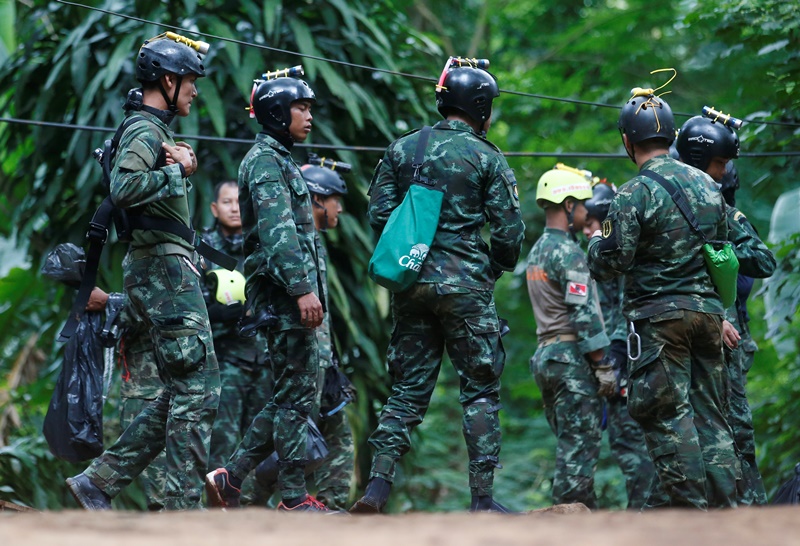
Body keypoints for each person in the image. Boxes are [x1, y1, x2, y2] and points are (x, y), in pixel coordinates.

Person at [351, 59, 525, 513]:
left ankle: (376, 490)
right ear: (481, 107)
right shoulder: (487, 157)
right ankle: (483, 502)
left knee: (407, 389)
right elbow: (509, 233)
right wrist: (492, 268)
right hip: (466, 285)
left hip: (410, 284)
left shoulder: (402, 149)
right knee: (480, 390)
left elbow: (379, 217)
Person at [66, 34, 221, 511]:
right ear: (169, 81)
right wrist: (181, 171)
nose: (195, 91)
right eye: (190, 81)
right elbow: (124, 187)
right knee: (202, 386)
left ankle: (100, 482)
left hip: (165, 268)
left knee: (184, 388)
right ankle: (179, 508)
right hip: (163, 272)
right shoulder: (144, 130)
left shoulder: (155, 131)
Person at [587, 89, 737, 509]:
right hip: (708, 315)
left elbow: (610, 263)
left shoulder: (633, 194)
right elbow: (721, 252)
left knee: (671, 417)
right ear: (671, 135)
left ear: (627, 142)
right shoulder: (710, 187)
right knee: (712, 418)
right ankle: (729, 514)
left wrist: (596, 242)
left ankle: (690, 519)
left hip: (659, 321)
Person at [205, 72, 329, 512]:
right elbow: (279, 234)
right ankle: (291, 500)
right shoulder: (264, 162)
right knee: (294, 397)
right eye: (302, 108)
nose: (309, 116)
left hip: (286, 294)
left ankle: (231, 478)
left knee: (289, 397)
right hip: (282, 296)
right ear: (278, 112)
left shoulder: (280, 158)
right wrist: (302, 290)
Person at [675, 116, 776, 505]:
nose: (724, 171)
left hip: (714, 335)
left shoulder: (723, 213)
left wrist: (720, 252)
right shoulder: (686, 203)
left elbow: (762, 263)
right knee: (696, 432)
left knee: (727, 433)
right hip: (693, 332)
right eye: (720, 163)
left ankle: (744, 513)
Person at [526, 164, 614, 510]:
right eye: (581, 204)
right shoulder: (569, 253)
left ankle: (575, 516)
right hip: (569, 359)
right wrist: (602, 364)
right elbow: (584, 314)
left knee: (568, 445)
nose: (585, 211)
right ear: (566, 206)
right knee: (579, 449)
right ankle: (570, 523)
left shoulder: (537, 252)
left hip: (546, 356)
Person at [582, 181, 656, 510]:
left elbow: (623, 313)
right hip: (624, 352)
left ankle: (643, 517)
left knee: (632, 448)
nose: (588, 232)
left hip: (628, 355)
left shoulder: (616, 255)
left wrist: (616, 359)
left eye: (592, 225)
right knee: (628, 447)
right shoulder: (602, 253)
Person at [202, 181, 271, 481]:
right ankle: (218, 508)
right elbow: (194, 304)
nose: (234, 208)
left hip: (263, 359)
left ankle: (256, 514)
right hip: (224, 361)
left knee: (261, 443)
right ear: (215, 209)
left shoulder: (261, 245)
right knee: (222, 440)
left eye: (239, 202)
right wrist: (229, 311)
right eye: (227, 202)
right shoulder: (202, 249)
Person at [302, 163, 356, 510]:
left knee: (338, 434)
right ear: (318, 199)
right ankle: (246, 495)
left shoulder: (316, 241)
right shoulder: (295, 239)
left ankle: (332, 508)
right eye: (336, 201)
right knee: (290, 436)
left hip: (324, 358)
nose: (340, 209)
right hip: (302, 358)